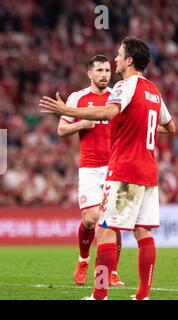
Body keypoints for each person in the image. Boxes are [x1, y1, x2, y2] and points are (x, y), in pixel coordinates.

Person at [40, 37, 176, 300]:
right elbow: (170, 127)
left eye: (119, 54)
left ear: (129, 60)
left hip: (124, 168)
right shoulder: (154, 90)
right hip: (148, 170)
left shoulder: (125, 86)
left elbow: (108, 113)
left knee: (105, 229)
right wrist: (141, 128)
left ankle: (99, 295)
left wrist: (65, 109)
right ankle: (142, 296)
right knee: (142, 231)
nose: (115, 59)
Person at [57, 55, 124, 287]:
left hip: (115, 166)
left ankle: (112, 272)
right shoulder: (78, 97)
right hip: (89, 168)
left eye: (107, 70)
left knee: (113, 221)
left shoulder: (117, 96)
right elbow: (61, 130)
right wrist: (82, 124)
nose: (105, 74)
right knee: (90, 219)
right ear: (90, 74)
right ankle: (83, 260)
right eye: (100, 70)